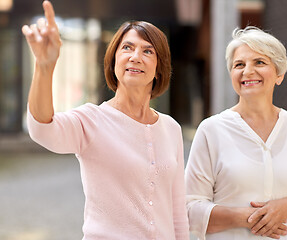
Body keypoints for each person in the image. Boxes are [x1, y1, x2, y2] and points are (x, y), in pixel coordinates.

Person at [22, 1, 189, 239]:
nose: (135, 56)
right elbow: (42, 129)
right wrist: (45, 67)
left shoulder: (171, 129)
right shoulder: (91, 120)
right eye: (127, 48)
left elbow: (178, 213)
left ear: (159, 68)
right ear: (113, 61)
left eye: (148, 51)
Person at [185, 26, 287, 240]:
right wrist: (250, 216)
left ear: (279, 74)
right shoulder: (211, 130)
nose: (248, 71)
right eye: (239, 64)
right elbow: (190, 208)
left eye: (259, 62)